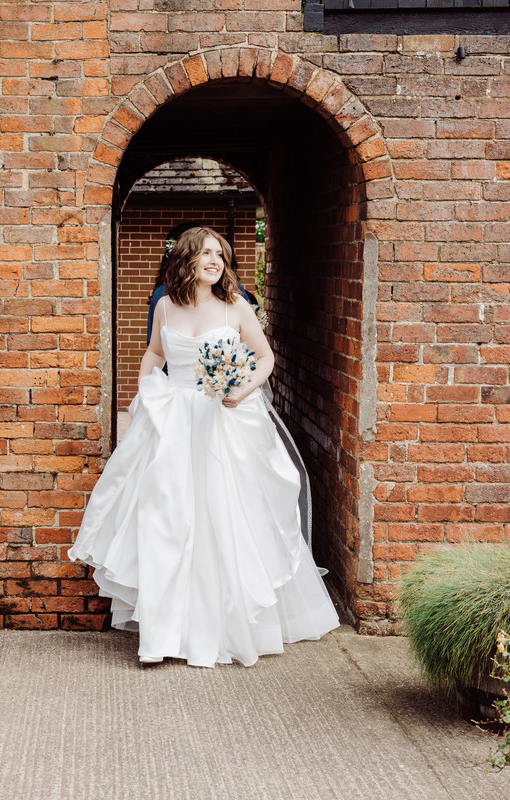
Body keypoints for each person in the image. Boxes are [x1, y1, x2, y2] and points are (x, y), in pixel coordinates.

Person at [69, 226, 340, 667]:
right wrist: (148, 396)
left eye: (221, 254)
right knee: (165, 520)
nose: (216, 261)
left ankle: (220, 630)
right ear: (186, 260)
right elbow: (155, 355)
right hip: (172, 425)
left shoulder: (236, 307)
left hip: (222, 421)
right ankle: (159, 638)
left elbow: (265, 358)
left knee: (222, 520)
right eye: (206, 253)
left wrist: (243, 389)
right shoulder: (165, 306)